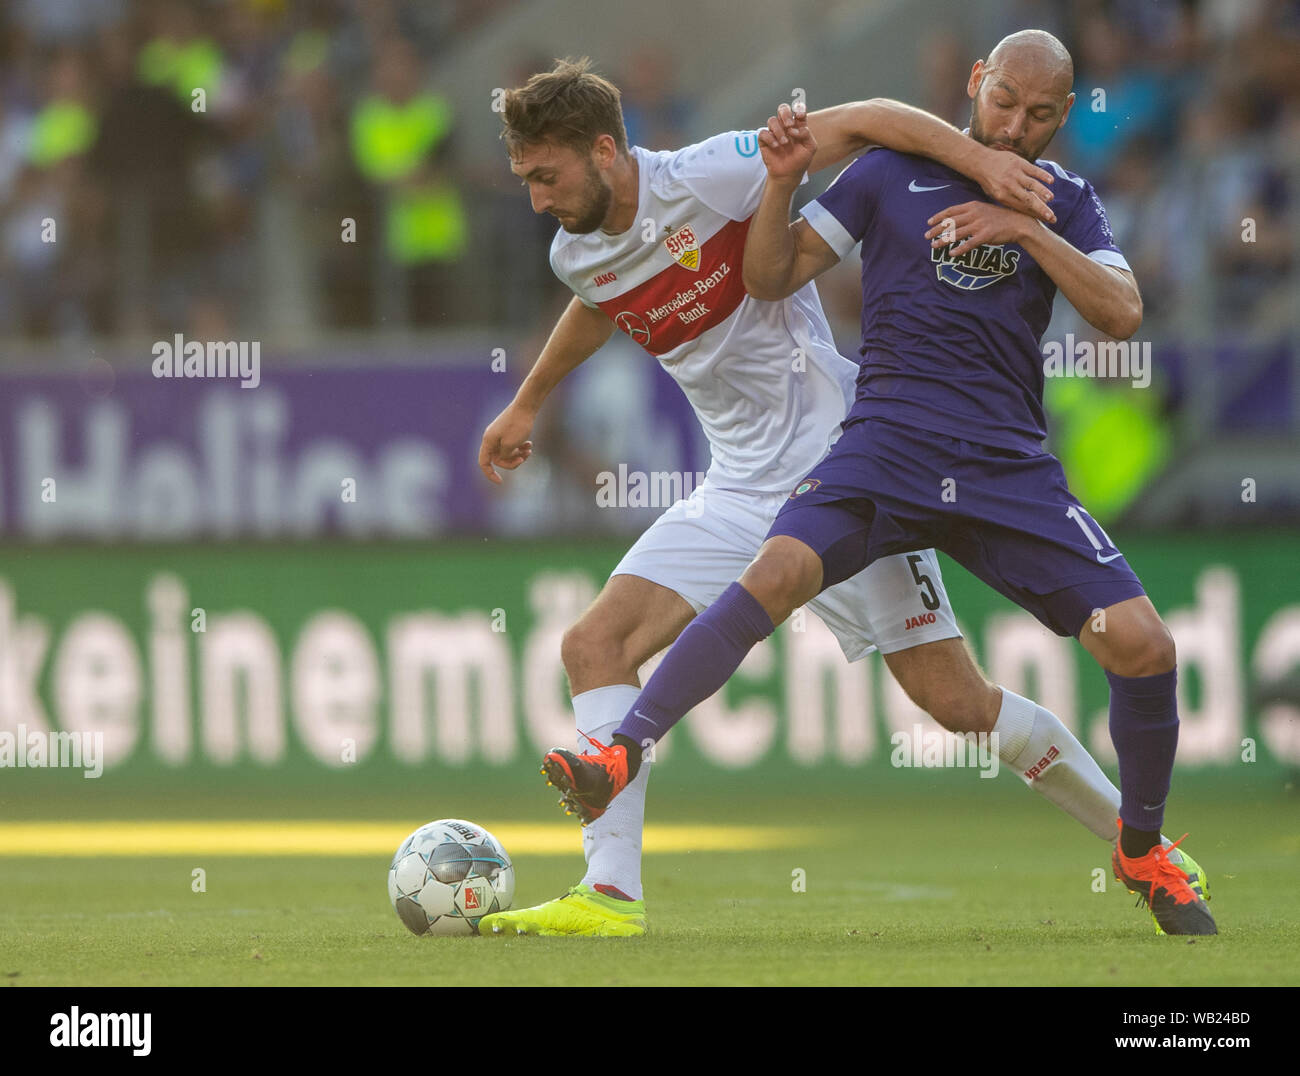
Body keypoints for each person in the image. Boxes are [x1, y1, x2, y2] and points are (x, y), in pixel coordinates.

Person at [480, 56, 1203, 938]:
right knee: (595, 642)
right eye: (526, 181)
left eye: (544, 177)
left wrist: (985, 169)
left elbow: (867, 117)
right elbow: (600, 294)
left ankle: (1143, 838)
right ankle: (611, 894)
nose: (536, 199)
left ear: (603, 151)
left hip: (848, 452)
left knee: (957, 703)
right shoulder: (576, 246)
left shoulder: (708, 172)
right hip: (739, 479)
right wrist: (527, 401)